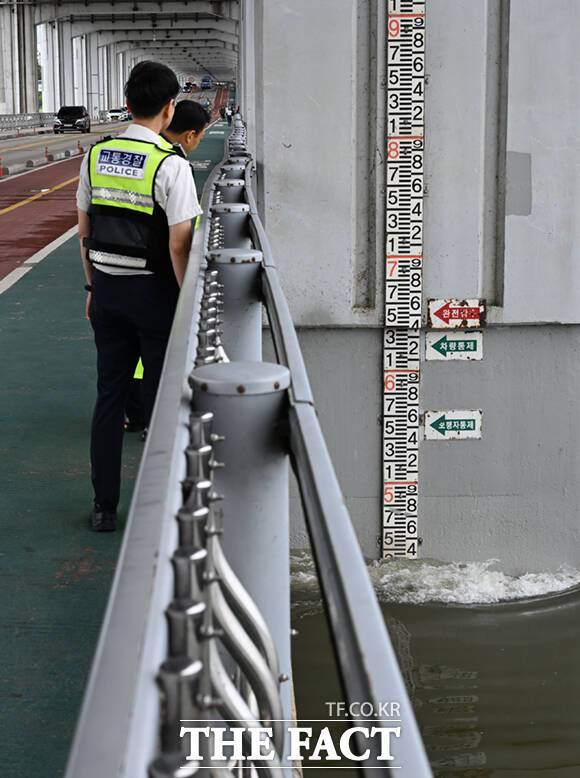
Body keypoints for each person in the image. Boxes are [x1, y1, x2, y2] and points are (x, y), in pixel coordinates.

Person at [76, 61, 202, 532]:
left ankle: (104, 506)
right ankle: (157, 514)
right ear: (170, 110)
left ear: (127, 104)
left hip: (106, 291)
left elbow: (84, 230)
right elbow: (179, 245)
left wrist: (92, 286)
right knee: (162, 404)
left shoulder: (96, 154)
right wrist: (186, 302)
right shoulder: (170, 165)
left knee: (109, 397)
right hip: (154, 295)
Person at [123, 99, 211, 434]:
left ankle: (133, 413)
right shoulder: (171, 164)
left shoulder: (134, 154)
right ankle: (152, 420)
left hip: (119, 270)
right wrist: (186, 285)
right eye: (200, 137)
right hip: (157, 273)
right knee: (155, 354)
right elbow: (179, 241)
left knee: (129, 355)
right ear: (190, 135)